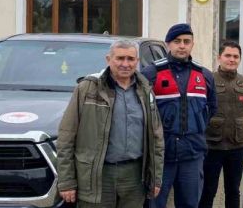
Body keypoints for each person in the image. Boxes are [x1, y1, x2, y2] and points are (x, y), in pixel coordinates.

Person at [56, 39, 164, 208]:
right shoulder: (87, 89)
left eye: (130, 59)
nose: (125, 64)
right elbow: (66, 136)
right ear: (108, 59)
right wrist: (67, 181)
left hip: (134, 177)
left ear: (137, 61)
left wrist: (156, 178)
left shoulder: (145, 90)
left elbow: (157, 138)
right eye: (120, 58)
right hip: (98, 176)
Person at [142, 23, 217, 208]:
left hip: (192, 155)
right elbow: (140, 111)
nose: (182, 45)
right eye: (177, 41)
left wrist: (194, 127)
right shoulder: (151, 73)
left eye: (186, 41)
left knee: (190, 204)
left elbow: (212, 108)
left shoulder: (205, 75)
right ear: (168, 44)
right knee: (155, 204)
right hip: (161, 156)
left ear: (192, 44)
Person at [199, 41, 243, 208]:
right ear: (219, 58)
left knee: (233, 191)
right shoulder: (208, 80)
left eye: (235, 56)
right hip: (212, 147)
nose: (232, 59)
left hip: (236, 148)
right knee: (207, 190)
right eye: (228, 55)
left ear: (240, 59)